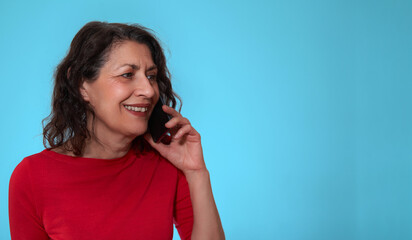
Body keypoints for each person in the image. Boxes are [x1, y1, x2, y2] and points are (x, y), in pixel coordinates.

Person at [8, 21, 225, 240]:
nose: (148, 91)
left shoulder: (169, 163)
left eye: (151, 76)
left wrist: (197, 173)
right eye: (128, 75)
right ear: (82, 85)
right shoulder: (32, 177)